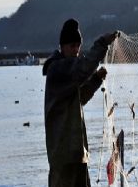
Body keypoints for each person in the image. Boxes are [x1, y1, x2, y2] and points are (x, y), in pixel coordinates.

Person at [42, 19, 117, 187]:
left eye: (78, 45)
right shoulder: (57, 69)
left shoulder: (69, 72)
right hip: (62, 158)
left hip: (77, 154)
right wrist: (102, 43)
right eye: (71, 46)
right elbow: (83, 67)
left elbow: (80, 98)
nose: (76, 50)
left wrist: (96, 80)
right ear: (62, 46)